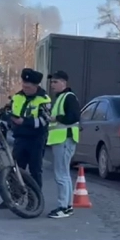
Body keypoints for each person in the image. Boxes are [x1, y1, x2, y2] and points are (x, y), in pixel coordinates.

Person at [0, 68, 50, 210]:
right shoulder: (17, 97)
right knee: (15, 171)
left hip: (36, 139)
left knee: (35, 171)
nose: (25, 89)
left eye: (28, 87)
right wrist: (4, 120)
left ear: (36, 86)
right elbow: (8, 112)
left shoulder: (43, 99)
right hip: (20, 139)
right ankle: (12, 199)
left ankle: (34, 201)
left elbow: (45, 120)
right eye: (24, 86)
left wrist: (24, 122)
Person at [45, 71, 80, 219]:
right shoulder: (62, 97)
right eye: (51, 82)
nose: (52, 85)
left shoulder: (68, 97)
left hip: (64, 139)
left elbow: (73, 116)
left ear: (64, 83)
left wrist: (55, 117)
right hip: (61, 140)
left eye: (55, 82)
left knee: (61, 175)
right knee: (64, 174)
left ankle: (63, 207)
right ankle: (67, 206)